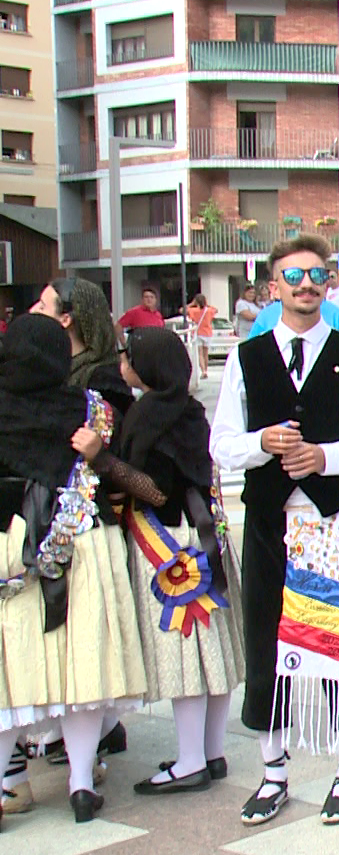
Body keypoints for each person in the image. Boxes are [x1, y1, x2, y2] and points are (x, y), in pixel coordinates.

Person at [210, 235, 339, 827]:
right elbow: (220, 444)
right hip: (269, 521)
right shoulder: (248, 356)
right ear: (274, 287)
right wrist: (261, 444)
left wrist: (326, 458)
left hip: (332, 520)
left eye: (318, 274)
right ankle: (272, 773)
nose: (307, 285)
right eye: (294, 276)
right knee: (266, 637)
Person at [76, 327, 243, 795]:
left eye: (130, 355)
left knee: (186, 652)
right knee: (214, 653)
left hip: (170, 549)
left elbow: (154, 488)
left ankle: (190, 761)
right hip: (206, 539)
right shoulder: (189, 410)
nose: (123, 362)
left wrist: (103, 460)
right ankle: (211, 753)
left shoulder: (151, 415)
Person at [0, 314, 146, 824]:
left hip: (11, 540)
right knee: (87, 663)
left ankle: (9, 781)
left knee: (10, 667)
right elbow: (126, 479)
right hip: (81, 538)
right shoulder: (92, 409)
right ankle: (82, 783)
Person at [36, 278, 136, 420]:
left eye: (42, 306)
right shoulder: (51, 366)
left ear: (65, 320)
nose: (33, 311)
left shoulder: (104, 381)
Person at [185, 293, 217, 380]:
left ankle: (203, 371)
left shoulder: (194, 310)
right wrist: (206, 305)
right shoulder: (209, 311)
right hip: (208, 333)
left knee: (200, 354)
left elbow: (182, 310)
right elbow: (216, 310)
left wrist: (192, 304)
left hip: (198, 333)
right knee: (205, 353)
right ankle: (206, 369)